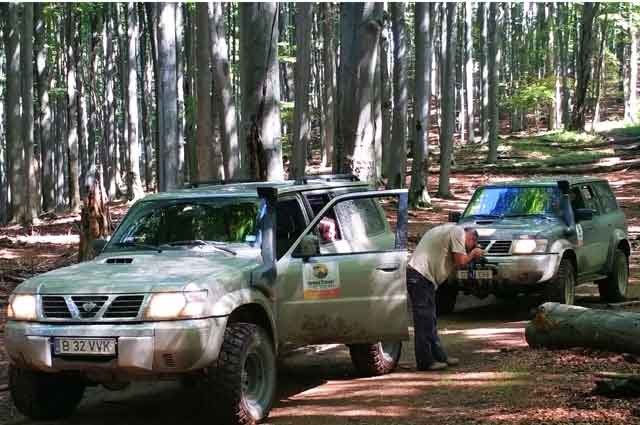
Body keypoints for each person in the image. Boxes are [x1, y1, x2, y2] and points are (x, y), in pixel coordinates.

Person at [407, 224, 484, 371]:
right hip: (420, 276)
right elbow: (461, 262)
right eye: (470, 245)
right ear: (471, 237)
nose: (466, 248)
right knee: (423, 321)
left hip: (425, 278)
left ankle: (440, 357)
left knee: (430, 320)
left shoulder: (449, 231)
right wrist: (473, 254)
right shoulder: (458, 232)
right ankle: (425, 362)